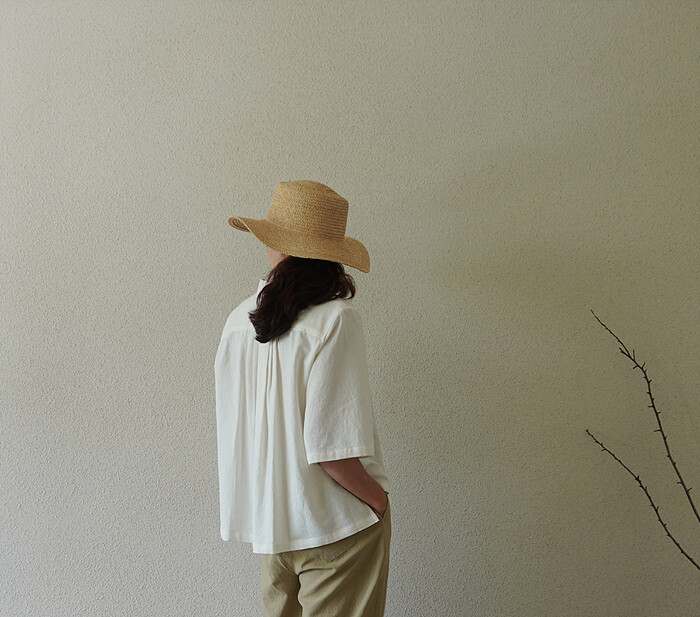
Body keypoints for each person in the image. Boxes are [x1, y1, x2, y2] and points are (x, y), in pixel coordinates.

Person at [215, 180, 391, 616]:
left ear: (276, 246)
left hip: (273, 530)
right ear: (331, 254)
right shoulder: (335, 319)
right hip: (335, 525)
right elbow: (332, 448)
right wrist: (378, 501)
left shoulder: (239, 322)